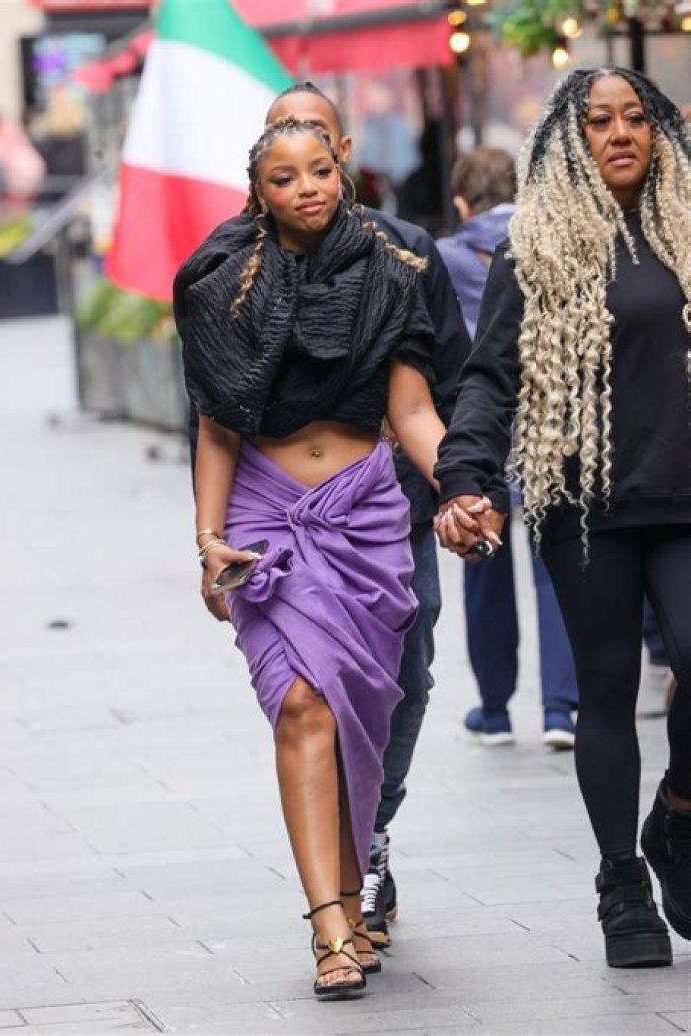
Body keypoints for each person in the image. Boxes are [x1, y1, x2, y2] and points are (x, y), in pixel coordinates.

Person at [189, 81, 473, 950]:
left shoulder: (394, 269)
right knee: (304, 703)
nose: (306, 186)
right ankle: (329, 926)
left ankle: (357, 879)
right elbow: (215, 423)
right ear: (258, 186)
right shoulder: (219, 280)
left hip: (366, 515)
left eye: (318, 167)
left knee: (370, 708)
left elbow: (415, 409)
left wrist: (462, 485)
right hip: (266, 517)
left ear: (343, 166)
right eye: (284, 173)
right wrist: (207, 541)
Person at [434, 68, 690, 969]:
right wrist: (464, 477)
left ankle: (677, 817)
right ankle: (623, 883)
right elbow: (490, 375)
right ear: (567, 142)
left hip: (685, 497)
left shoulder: (687, 233)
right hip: (585, 507)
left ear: (660, 132)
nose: (620, 133)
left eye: (636, 118)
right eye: (598, 121)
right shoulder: (535, 247)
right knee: (607, 688)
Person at [437, 146, 579, 749]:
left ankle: (494, 710)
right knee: (557, 567)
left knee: (483, 561)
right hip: (550, 428)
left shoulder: (443, 258)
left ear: (462, 202)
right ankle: (559, 709)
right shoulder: (551, 244)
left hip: (478, 430)